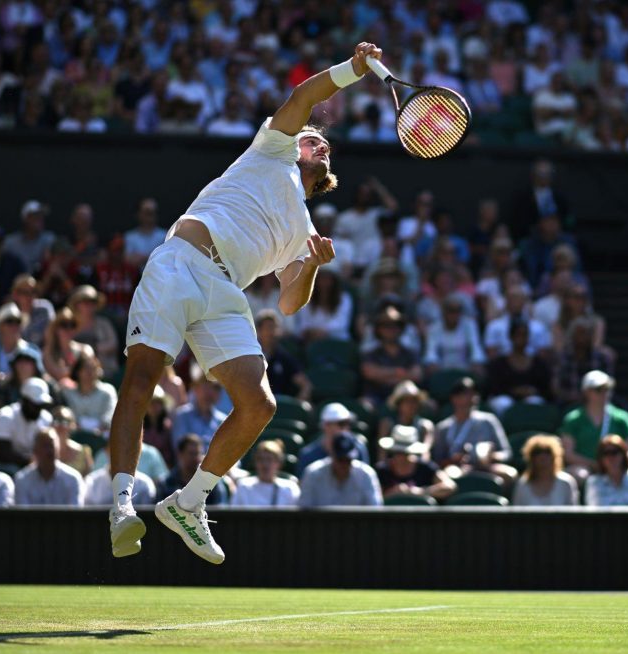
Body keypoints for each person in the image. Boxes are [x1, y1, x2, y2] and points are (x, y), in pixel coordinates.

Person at [107, 42, 382, 563]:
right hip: (181, 261)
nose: (319, 142)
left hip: (225, 292)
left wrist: (314, 267)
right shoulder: (271, 148)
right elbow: (305, 94)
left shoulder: (306, 230)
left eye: (324, 146)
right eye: (314, 138)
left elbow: (290, 303)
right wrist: (354, 69)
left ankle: (189, 503)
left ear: (324, 179)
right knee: (142, 378)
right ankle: (123, 505)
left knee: (260, 405)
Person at [559, 370, 628, 485]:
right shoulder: (573, 419)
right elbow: (568, 454)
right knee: (579, 475)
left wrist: (615, 464)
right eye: (598, 389)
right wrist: (594, 465)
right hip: (587, 468)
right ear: (586, 392)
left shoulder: (623, 418)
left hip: (617, 468)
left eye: (607, 389)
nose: (604, 393)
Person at [432, 377, 516, 484]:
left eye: (474, 394)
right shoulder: (443, 427)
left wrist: (490, 456)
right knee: (448, 476)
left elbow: (507, 453)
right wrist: (454, 459)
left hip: (487, 467)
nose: (471, 398)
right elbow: (437, 461)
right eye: (465, 394)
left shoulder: (489, 420)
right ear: (454, 398)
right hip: (458, 467)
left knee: (509, 474)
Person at [485, 319, 554, 415]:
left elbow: (546, 389)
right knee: (503, 403)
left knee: (535, 402)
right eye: (518, 334)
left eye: (524, 335)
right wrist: (514, 391)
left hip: (531, 400)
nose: (521, 339)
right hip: (505, 400)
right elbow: (493, 388)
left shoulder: (539, 364)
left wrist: (532, 391)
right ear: (510, 336)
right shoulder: (499, 364)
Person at [299, 432, 383, 507]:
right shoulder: (313, 473)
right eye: (340, 460)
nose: (344, 465)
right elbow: (304, 510)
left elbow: (375, 508)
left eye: (348, 460)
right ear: (332, 454)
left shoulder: (366, 474)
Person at [360, 306, 423, 405]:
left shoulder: (410, 353)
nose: (390, 330)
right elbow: (369, 373)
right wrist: (398, 372)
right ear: (379, 329)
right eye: (386, 326)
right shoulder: (371, 354)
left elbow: (416, 375)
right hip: (377, 397)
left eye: (395, 325)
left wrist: (383, 376)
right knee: (365, 404)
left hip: (405, 398)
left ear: (401, 328)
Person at [375, 425, 456, 501]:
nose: (401, 456)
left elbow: (449, 486)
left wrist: (420, 491)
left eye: (405, 453)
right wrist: (392, 494)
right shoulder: (382, 470)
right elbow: (372, 498)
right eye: (398, 451)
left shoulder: (426, 468)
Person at [296, 402, 371, 478]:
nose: (346, 428)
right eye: (342, 424)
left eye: (348, 423)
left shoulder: (358, 448)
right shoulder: (308, 455)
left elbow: (364, 479)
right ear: (326, 425)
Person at [0, 377, 53, 467]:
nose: (38, 410)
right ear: (24, 400)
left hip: (33, 468)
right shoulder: (5, 416)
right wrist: (30, 461)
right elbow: (3, 455)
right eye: (35, 405)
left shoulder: (46, 418)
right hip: (5, 468)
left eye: (41, 405)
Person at [14, 429, 85, 506]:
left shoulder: (72, 478)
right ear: (35, 450)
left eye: (51, 445)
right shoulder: (22, 479)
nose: (50, 451)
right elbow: (22, 515)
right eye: (45, 446)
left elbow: (75, 513)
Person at [156, 434, 229, 506]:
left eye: (198, 453)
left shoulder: (213, 483)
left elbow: (220, 510)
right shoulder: (165, 483)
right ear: (180, 454)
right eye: (191, 453)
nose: (196, 458)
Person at [255, 310, 312, 401]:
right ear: (258, 331)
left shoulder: (284, 357)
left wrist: (298, 404)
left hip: (281, 409)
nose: (272, 332)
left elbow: (306, 385)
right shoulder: (250, 358)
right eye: (268, 328)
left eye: (275, 327)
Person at [169, 371, 228, 454]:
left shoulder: (224, 421)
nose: (210, 392)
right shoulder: (182, 416)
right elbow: (180, 450)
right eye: (206, 385)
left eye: (215, 387)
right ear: (195, 388)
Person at [584, 435, 628, 507]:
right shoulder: (594, 483)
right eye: (606, 453)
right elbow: (594, 511)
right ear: (601, 458)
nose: (611, 457)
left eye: (615, 452)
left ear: (624, 455)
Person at [512, 434, 579, 506]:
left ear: (554, 457)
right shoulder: (523, 484)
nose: (542, 457)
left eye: (548, 452)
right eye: (537, 453)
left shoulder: (566, 482)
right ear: (531, 458)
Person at [68, 285, 119, 379]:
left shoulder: (104, 323)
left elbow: (113, 344)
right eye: (85, 302)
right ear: (77, 304)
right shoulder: (68, 324)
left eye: (93, 302)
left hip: (106, 373)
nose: (89, 305)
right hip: (75, 375)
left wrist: (92, 348)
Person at [231, 439, 301, 507]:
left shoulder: (290, 488)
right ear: (255, 462)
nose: (265, 464)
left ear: (279, 463)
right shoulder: (244, 486)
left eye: (269, 459)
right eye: (260, 459)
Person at [0, 302, 40, 377]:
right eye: (9, 321)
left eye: (18, 322)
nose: (14, 326)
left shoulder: (32, 351)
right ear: (0, 327)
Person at [378, 381, 436, 454]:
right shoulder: (387, 424)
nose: (411, 406)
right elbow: (382, 454)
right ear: (399, 404)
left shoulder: (425, 426)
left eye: (414, 401)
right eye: (407, 402)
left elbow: (425, 454)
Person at [2, 200, 56, 273]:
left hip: (42, 282)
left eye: (41, 216)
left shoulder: (49, 239)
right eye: (36, 216)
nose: (40, 219)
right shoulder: (11, 242)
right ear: (26, 219)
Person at [10, 273, 55, 347]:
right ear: (15, 295)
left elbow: (52, 336)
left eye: (33, 292)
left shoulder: (44, 309)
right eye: (25, 292)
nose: (30, 296)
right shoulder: (10, 315)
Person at [50, 405, 93, 476]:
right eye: (56, 420)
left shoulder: (83, 452)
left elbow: (88, 481)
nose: (60, 425)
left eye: (65, 421)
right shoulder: (42, 450)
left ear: (73, 425)